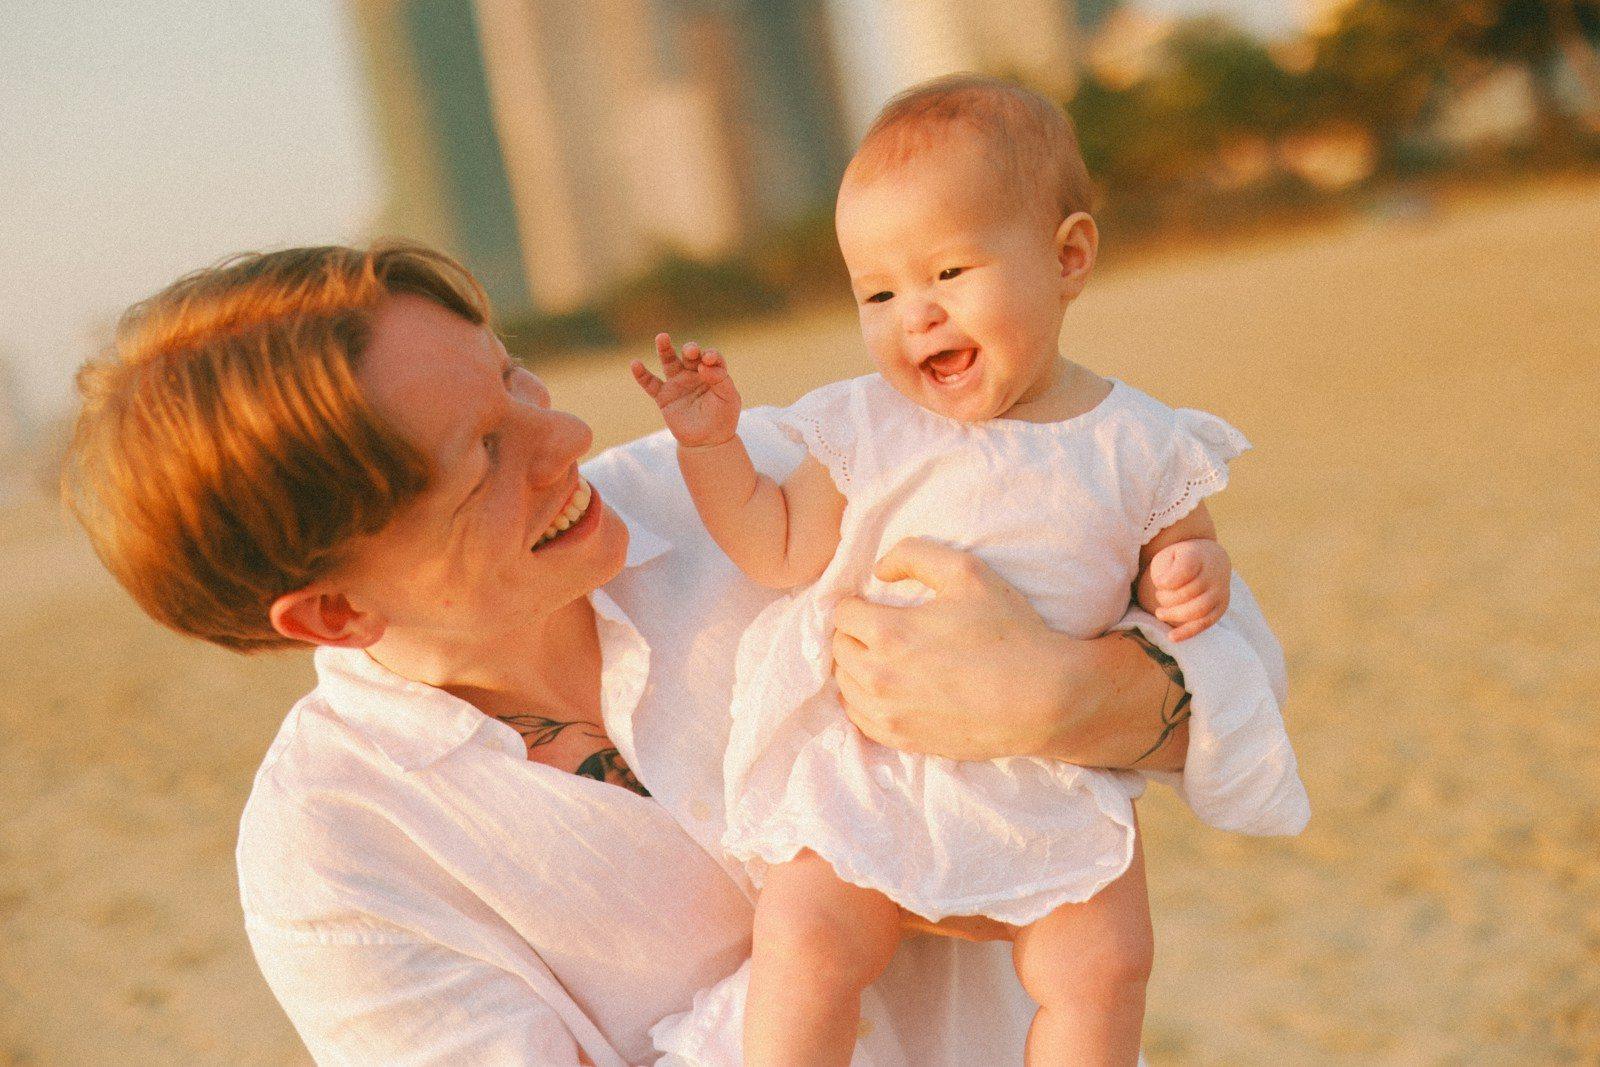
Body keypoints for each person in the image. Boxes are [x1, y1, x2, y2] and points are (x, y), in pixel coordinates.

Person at [62, 241, 1307, 1065]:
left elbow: (1231, 655)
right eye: (485, 458)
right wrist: (846, 905)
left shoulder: (750, 490)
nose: (566, 434)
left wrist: (1075, 700)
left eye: (517, 380)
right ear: (331, 613)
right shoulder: (333, 859)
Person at [632, 74, 1305, 1066]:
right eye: (879, 291)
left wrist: (1190, 565)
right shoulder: (867, 425)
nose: (915, 315)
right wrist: (709, 446)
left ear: (1068, 257)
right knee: (808, 937)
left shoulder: (1136, 437)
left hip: (1049, 772)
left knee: (1108, 960)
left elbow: (1180, 541)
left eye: (949, 272)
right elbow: (776, 545)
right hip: (872, 763)